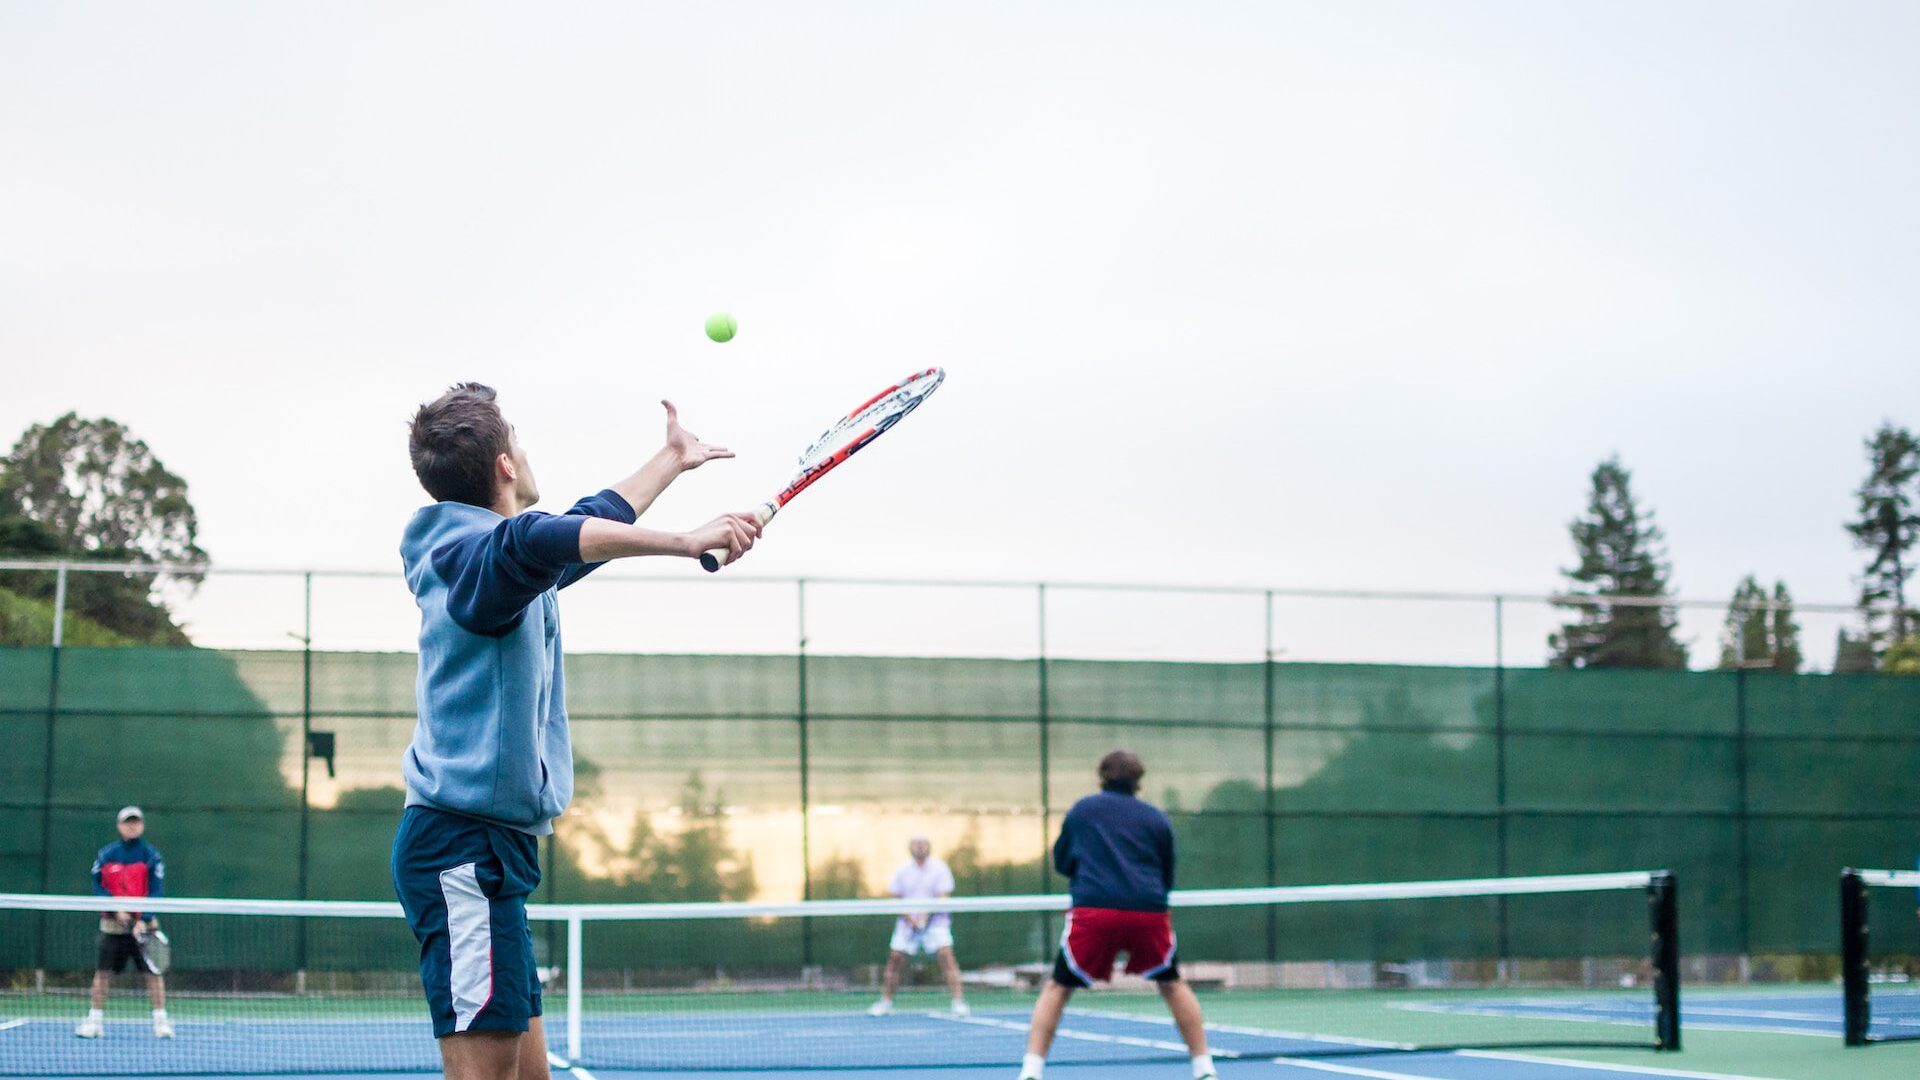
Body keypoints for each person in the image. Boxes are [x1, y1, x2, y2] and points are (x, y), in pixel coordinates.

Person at [391, 383, 760, 1080]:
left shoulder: (493, 562)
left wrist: (670, 460)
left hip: (491, 850)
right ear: (505, 465)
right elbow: (544, 535)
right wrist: (686, 541)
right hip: (463, 851)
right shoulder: (479, 562)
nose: (527, 456)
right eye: (520, 445)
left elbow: (581, 526)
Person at [1016, 751, 1214, 1080]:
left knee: (1057, 988)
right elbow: (1166, 874)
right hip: (1147, 912)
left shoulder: (1082, 811)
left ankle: (1031, 1072)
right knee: (1173, 985)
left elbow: (1062, 861)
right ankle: (1204, 1068)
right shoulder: (1156, 818)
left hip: (1095, 911)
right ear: (1139, 779)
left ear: (1102, 776)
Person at [75, 806, 171, 1040]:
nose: (132, 825)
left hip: (144, 926)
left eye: (136, 822)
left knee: (153, 974)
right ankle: (95, 1022)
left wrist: (144, 919)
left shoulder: (151, 855)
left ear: (142, 825)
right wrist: (115, 909)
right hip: (112, 925)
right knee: (102, 973)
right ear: (119, 825)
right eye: (128, 822)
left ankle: (161, 1023)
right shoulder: (106, 855)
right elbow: (98, 886)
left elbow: (156, 891)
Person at [867, 834, 969, 1018]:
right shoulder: (902, 870)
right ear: (910, 847)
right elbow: (896, 897)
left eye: (923, 844)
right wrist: (911, 919)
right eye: (916, 844)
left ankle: (959, 1002)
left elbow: (943, 895)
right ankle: (886, 1002)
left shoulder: (940, 868)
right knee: (895, 959)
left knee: (946, 956)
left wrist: (925, 916)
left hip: (936, 922)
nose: (920, 847)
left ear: (929, 846)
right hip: (907, 924)